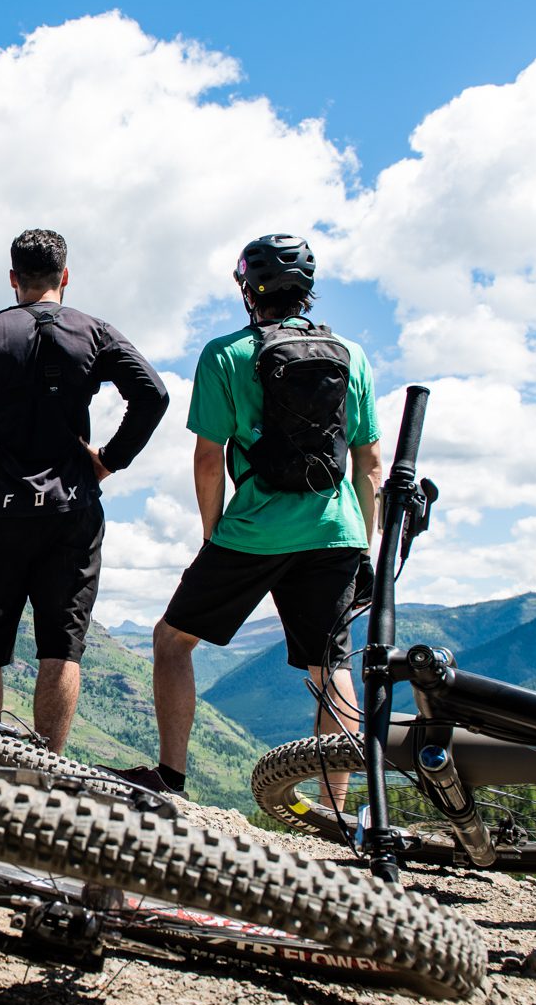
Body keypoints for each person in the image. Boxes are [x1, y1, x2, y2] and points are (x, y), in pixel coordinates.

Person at [129, 234, 381, 796]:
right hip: (336, 530)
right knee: (329, 668)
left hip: (253, 531)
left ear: (248, 290)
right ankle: (333, 811)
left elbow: (208, 458)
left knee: (172, 640)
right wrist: (367, 544)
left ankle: (170, 777)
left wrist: (213, 534)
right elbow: (369, 462)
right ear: (308, 291)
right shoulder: (352, 356)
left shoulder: (226, 353)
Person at [0, 229, 169, 750]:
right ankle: (45, 765)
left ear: (13, 279)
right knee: (61, 648)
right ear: (66, 276)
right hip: (73, 510)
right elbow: (153, 394)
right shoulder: (94, 331)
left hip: (5, 509)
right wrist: (110, 461)